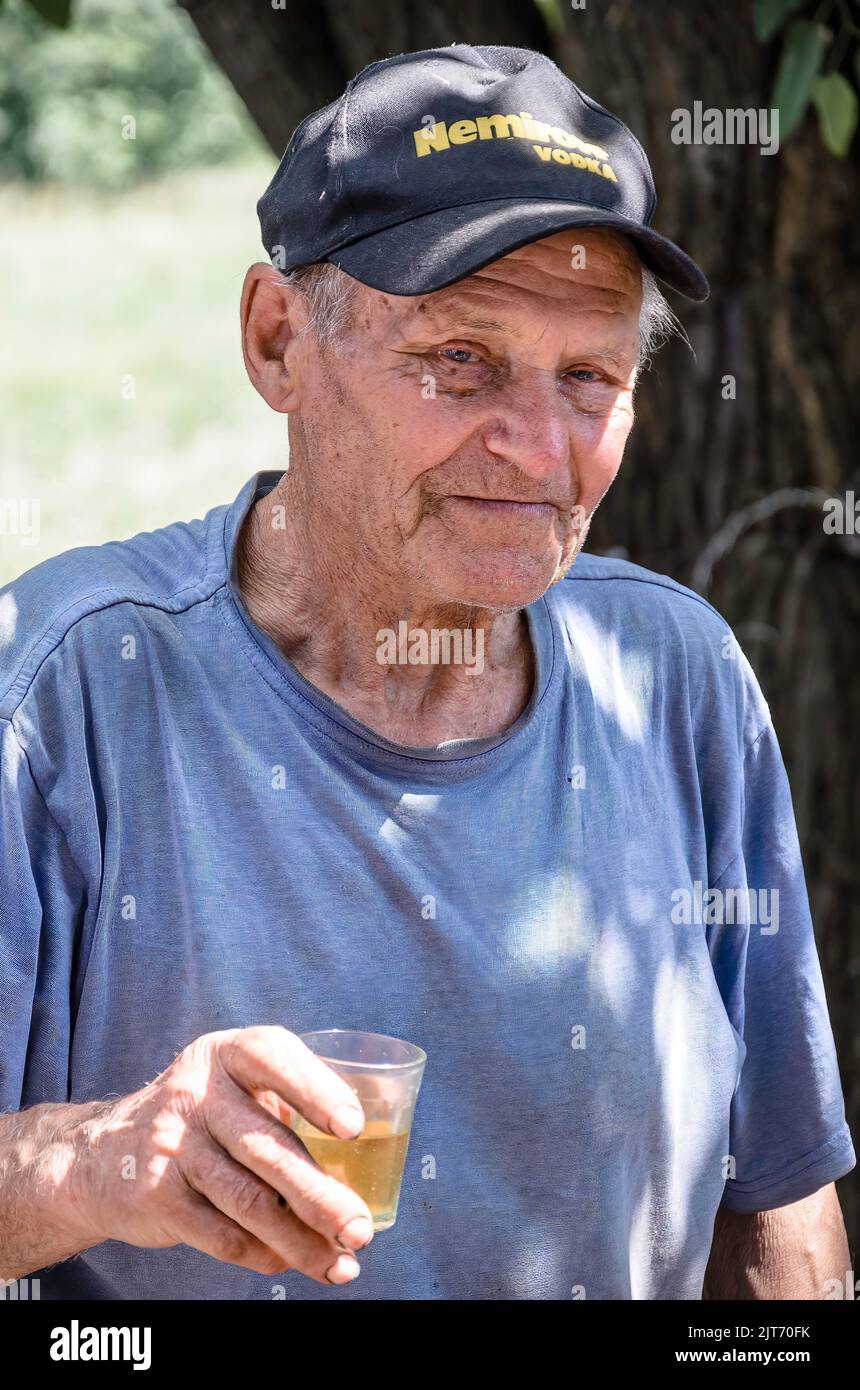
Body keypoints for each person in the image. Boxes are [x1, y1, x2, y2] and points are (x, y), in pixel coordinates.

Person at [0, 43, 854, 1301]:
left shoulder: (677, 677)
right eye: (460, 360)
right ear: (278, 337)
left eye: (589, 379)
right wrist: (101, 1162)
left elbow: (774, 1199)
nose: (535, 448)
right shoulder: (67, 688)